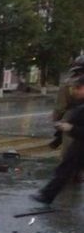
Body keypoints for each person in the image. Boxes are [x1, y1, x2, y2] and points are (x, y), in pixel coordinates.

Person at [32, 73, 84, 205]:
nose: (75, 91)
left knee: (66, 168)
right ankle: (47, 195)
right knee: (65, 168)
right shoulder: (80, 103)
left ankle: (47, 195)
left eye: (79, 88)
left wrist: (70, 128)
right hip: (79, 144)